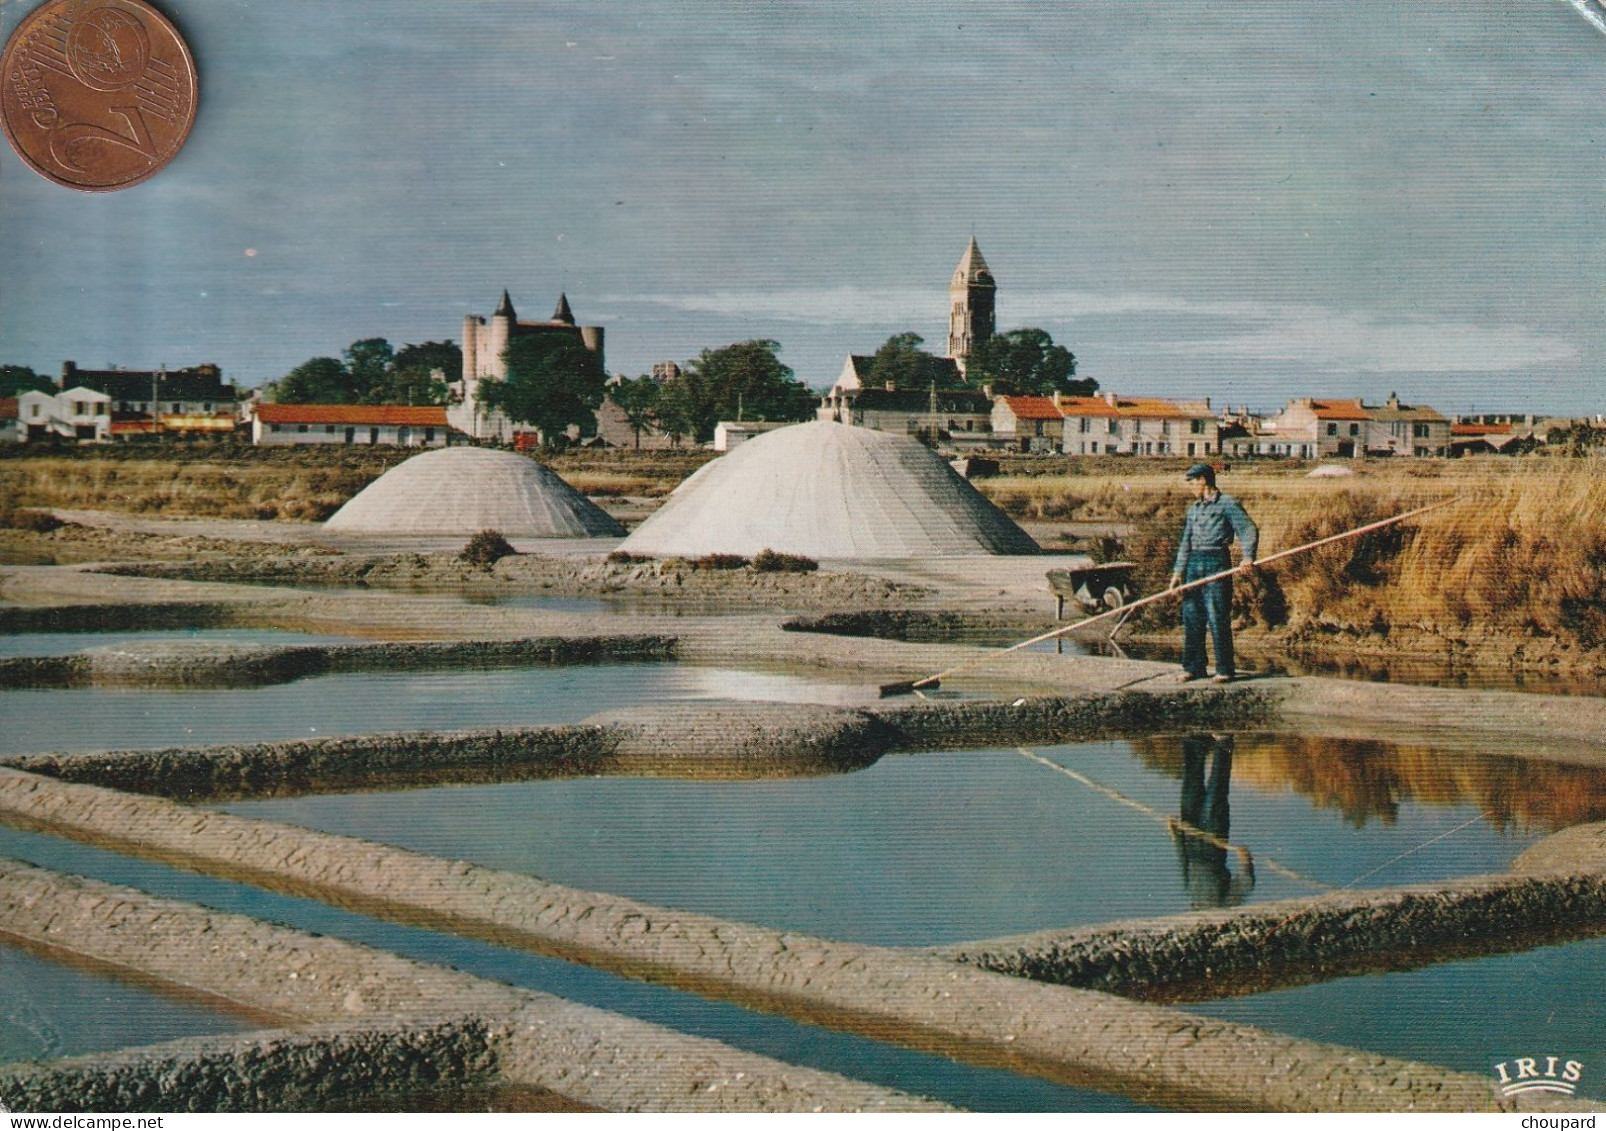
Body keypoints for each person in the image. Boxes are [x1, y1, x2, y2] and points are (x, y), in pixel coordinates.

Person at [1169, 463, 1258, 683]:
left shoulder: (1227, 504)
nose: (1190, 487)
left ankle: (1224, 670)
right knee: (1191, 617)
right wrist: (1177, 572)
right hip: (1194, 564)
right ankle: (1194, 667)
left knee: (1217, 617)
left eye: (1192, 482)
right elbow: (1185, 542)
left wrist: (1248, 557)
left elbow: (1248, 530)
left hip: (1217, 561)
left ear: (1203, 480)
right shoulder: (1194, 509)